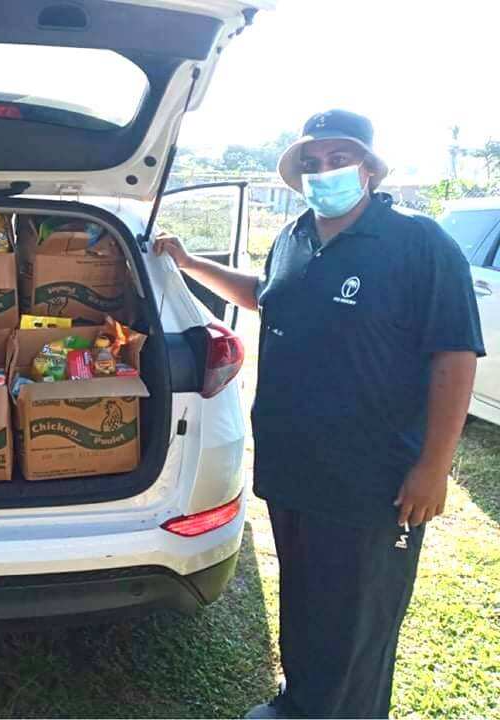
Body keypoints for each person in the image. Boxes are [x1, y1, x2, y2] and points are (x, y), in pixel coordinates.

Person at [155, 109, 484, 719]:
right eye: (311, 163)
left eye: (338, 159)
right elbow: (265, 293)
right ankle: (300, 704)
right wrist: (192, 264)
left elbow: (454, 356)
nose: (324, 172)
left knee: (356, 620)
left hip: (372, 480)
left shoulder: (418, 244)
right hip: (294, 469)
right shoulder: (295, 235)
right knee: (305, 600)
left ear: (369, 166)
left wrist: (433, 468)